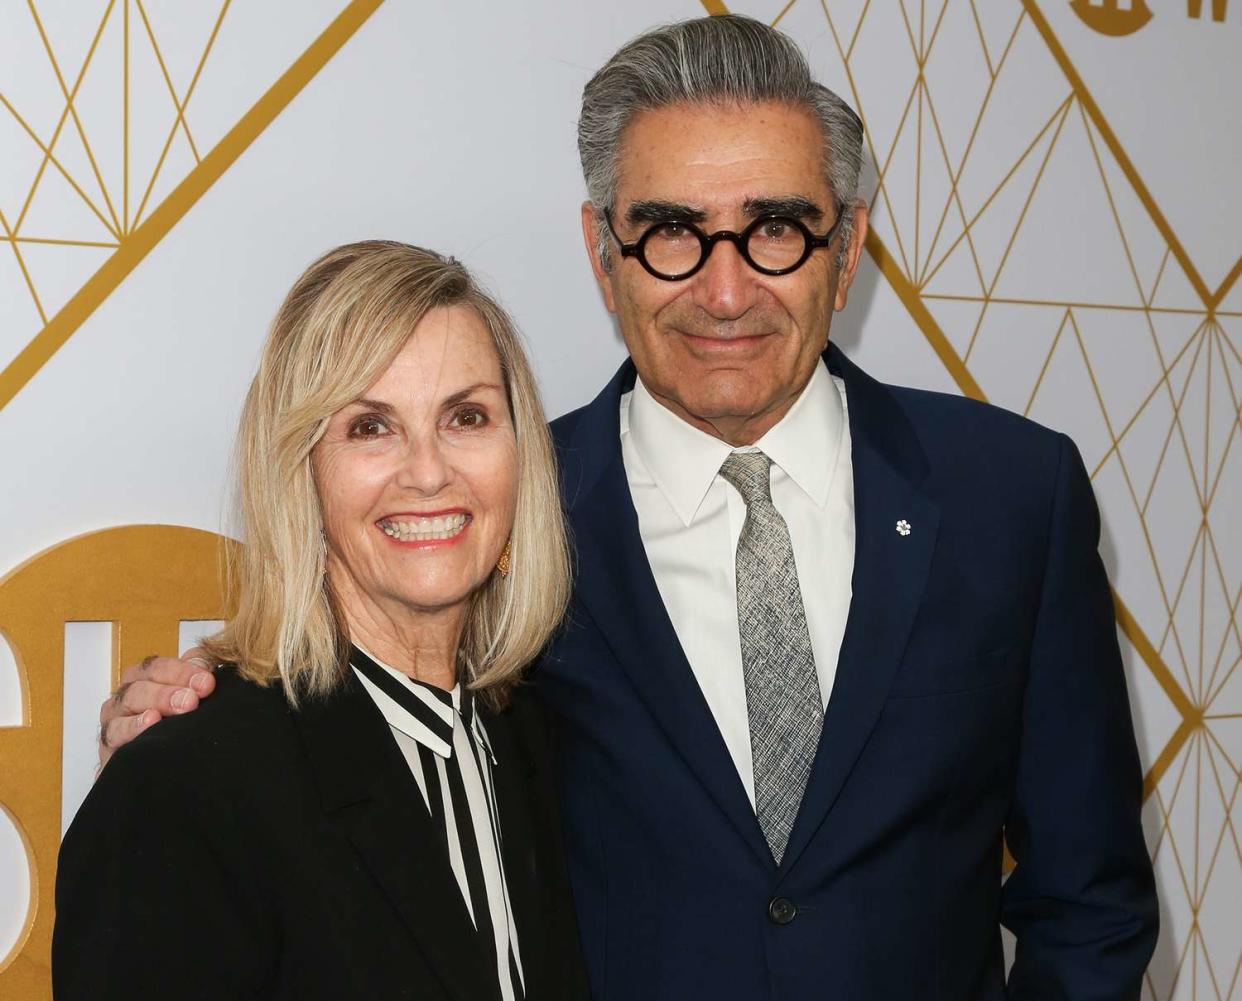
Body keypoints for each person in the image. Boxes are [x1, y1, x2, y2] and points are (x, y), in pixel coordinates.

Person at [96, 15, 1158, 1000]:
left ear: (849, 248)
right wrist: (179, 712)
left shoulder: (1012, 495)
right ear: (604, 254)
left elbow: (1091, 902)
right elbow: (344, 711)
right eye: (670, 232)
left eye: (777, 227)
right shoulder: (505, 512)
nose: (726, 289)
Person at [56, 242, 588, 1000]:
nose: (429, 470)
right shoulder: (183, 787)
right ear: (300, 470)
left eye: (466, 416)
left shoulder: (535, 740)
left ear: (520, 452)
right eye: (371, 426)